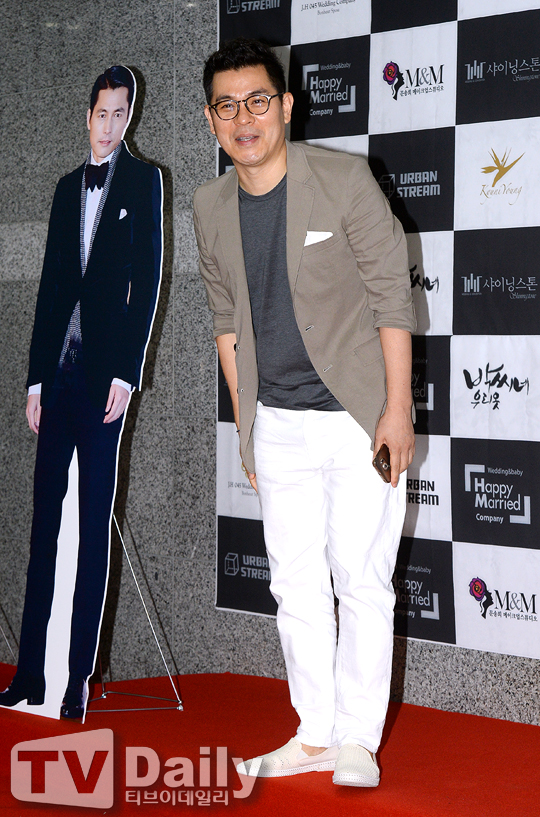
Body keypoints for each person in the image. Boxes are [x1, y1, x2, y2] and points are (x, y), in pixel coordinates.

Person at [194, 38, 416, 788]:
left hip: (356, 417)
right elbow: (227, 325)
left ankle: (358, 739)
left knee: (362, 579)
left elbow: (392, 299)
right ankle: (314, 732)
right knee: (294, 583)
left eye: (258, 100)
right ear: (211, 120)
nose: (244, 118)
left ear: (286, 106)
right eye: (227, 106)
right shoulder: (208, 207)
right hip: (278, 423)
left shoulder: (343, 180)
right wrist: (246, 427)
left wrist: (396, 410)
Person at [0, 66, 163, 719]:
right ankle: (29, 675)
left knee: (94, 528)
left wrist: (127, 372)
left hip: (104, 385)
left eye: (121, 113)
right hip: (59, 381)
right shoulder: (68, 187)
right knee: (44, 528)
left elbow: (148, 280)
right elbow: (49, 286)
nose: (109, 124)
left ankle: (76, 681)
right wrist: (35, 379)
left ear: (130, 118)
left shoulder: (144, 181)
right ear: (87, 114)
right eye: (102, 112)